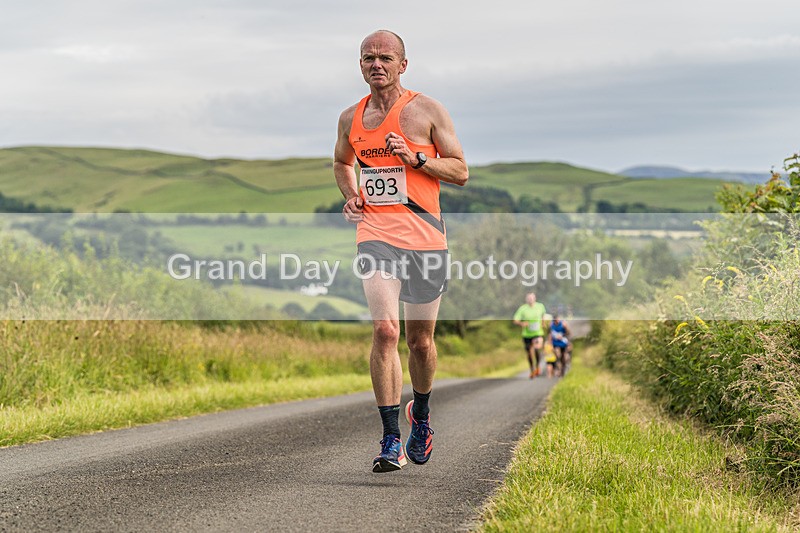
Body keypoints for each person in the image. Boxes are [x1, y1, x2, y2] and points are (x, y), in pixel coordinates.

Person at [333, 30, 468, 473]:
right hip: (375, 234)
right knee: (386, 331)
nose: (377, 64)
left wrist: (415, 159)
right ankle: (390, 438)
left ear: (402, 65)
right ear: (360, 65)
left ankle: (421, 416)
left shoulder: (427, 110)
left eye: (385, 57)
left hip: (426, 238)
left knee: (420, 342)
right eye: (368, 57)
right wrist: (351, 195)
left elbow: (460, 171)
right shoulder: (349, 118)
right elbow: (341, 162)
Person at [513, 293, 547, 378]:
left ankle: (537, 366)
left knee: (537, 348)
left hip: (538, 333)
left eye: (532, 298)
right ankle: (532, 370)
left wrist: (543, 322)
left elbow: (543, 314)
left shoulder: (540, 306)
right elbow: (515, 320)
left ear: (535, 299)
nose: (530, 300)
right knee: (529, 353)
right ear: (526, 300)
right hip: (527, 334)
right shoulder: (522, 308)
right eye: (529, 299)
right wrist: (522, 323)